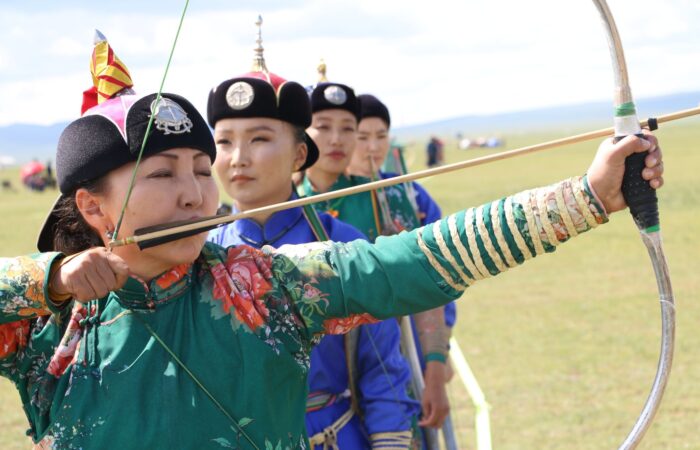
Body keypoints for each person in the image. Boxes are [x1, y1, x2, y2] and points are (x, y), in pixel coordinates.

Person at [0, 32, 665, 450]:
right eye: (163, 174)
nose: (196, 193)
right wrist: (50, 280)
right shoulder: (47, 326)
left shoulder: (260, 283)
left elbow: (407, 263)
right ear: (91, 205)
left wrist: (585, 199)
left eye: (202, 171)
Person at [206, 36, 420, 448]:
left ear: (300, 155)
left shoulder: (342, 244)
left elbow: (380, 364)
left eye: (260, 139)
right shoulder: (201, 254)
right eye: (225, 141)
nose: (238, 157)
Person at [301, 84, 453, 431]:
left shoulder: (392, 196)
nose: (337, 139)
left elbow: (425, 283)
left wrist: (434, 365)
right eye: (323, 127)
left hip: (392, 367)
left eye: (348, 128)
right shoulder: (287, 203)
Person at [348, 93, 458, 429]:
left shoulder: (410, 197)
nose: (372, 147)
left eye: (381, 136)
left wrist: (437, 357)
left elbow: (440, 277)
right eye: (362, 137)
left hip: (407, 346)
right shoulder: (316, 201)